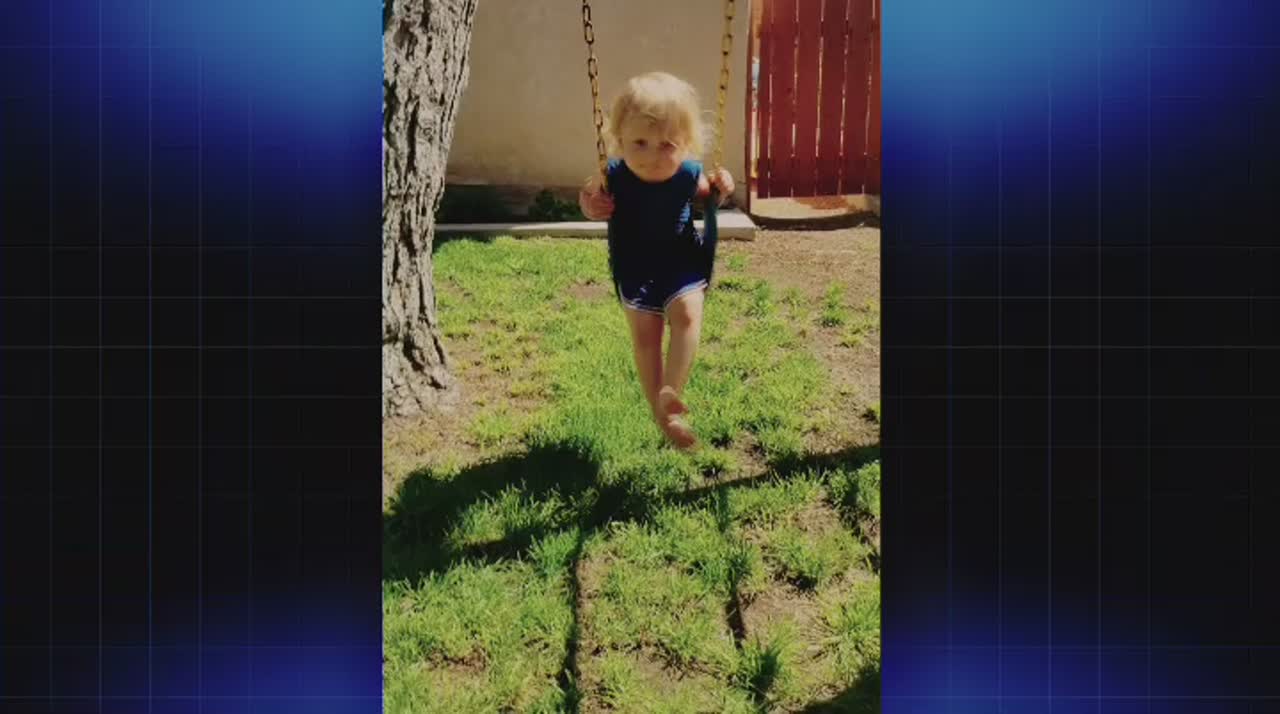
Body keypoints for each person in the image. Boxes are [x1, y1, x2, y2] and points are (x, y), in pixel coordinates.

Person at [578, 71, 735, 450]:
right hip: (635, 265)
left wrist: (723, 188)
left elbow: (710, 197)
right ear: (619, 140)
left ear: (686, 143)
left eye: (666, 144)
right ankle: (663, 418)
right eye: (640, 143)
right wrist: (591, 205)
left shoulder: (688, 174)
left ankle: (671, 395)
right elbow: (588, 197)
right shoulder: (612, 175)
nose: (651, 156)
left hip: (681, 259)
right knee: (646, 337)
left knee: (688, 314)